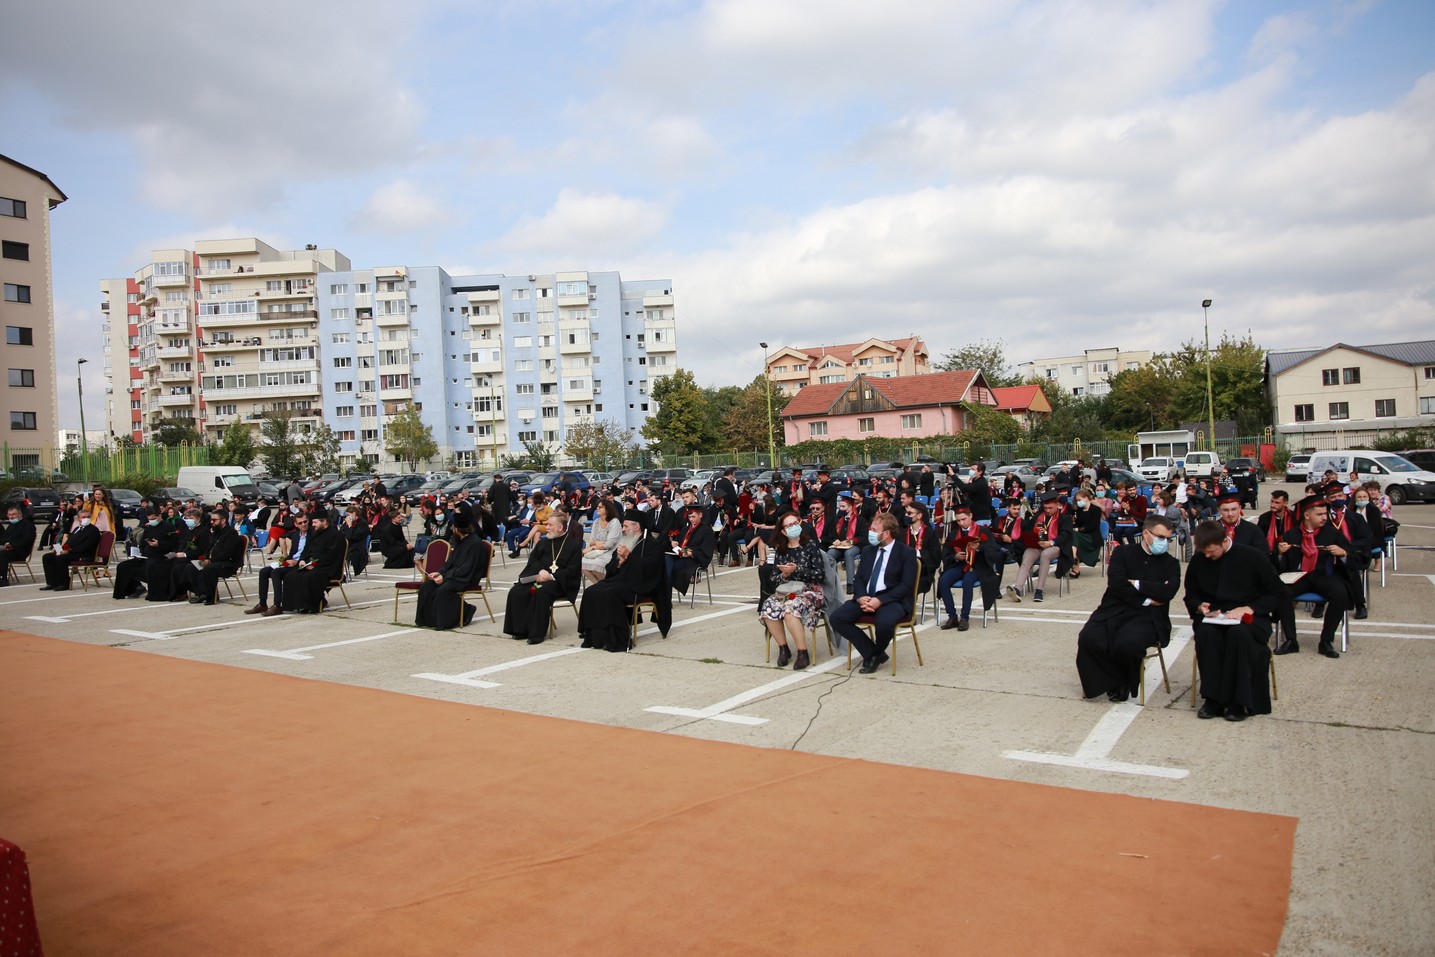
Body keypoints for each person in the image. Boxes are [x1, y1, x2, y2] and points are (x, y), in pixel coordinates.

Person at [1184, 520, 1282, 721]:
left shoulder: (1252, 557)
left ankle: (1237, 701)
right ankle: (1212, 699)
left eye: (1212, 551)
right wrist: (1199, 606)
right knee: (1207, 634)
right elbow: (1191, 594)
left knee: (1238, 635)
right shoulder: (1199, 560)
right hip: (1214, 617)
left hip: (1250, 616)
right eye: (1204, 552)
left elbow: (1276, 593)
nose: (1208, 556)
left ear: (1224, 541)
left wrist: (1249, 608)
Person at [1076, 515, 1181, 701]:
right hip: (1114, 609)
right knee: (1089, 638)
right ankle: (1110, 679)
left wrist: (1136, 583)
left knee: (1128, 643)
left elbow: (1168, 592)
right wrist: (1148, 597)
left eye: (1167, 539)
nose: (1164, 542)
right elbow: (1117, 585)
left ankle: (1124, 682)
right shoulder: (1123, 553)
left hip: (1148, 617)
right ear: (1146, 534)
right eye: (1161, 537)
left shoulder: (1170, 563)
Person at [830, 512, 917, 674]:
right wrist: (862, 596)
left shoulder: (906, 553)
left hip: (893, 600)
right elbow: (860, 579)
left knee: (884, 623)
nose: (871, 532)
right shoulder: (869, 551)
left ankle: (875, 656)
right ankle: (873, 653)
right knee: (837, 618)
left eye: (874, 530)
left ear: (886, 533)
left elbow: (905, 586)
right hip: (867, 597)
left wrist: (881, 600)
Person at [577, 509, 669, 652]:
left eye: (625, 526)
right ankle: (596, 637)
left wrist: (630, 557)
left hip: (639, 585)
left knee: (609, 593)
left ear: (636, 527)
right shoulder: (625, 542)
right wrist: (619, 562)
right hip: (620, 580)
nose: (623, 529)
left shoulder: (652, 545)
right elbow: (611, 566)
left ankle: (617, 639)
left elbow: (650, 569)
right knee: (591, 591)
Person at [1275, 497, 1354, 659]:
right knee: (1280, 591)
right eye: (1320, 514)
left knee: (1340, 593)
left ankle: (1326, 641)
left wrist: (1343, 553)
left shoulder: (1333, 534)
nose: (1324, 517)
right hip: (1299, 576)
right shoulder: (1291, 535)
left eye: (1325, 514)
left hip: (1323, 576)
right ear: (1307, 515)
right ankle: (1291, 640)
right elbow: (1279, 565)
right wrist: (1280, 554)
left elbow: (1355, 556)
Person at [757, 511, 828, 670]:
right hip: (787, 590)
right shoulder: (781, 550)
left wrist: (797, 570)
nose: (793, 527)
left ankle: (802, 652)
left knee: (790, 609)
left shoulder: (809, 546)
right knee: (768, 606)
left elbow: (819, 575)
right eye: (789, 525)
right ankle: (784, 648)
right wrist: (785, 574)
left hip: (809, 590)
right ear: (783, 531)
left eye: (796, 523)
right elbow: (774, 579)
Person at [503, 510, 584, 645]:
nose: (546, 528)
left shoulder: (573, 546)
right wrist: (540, 571)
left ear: (560, 527)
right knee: (516, 590)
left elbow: (573, 571)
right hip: (540, 577)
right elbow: (533, 562)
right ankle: (520, 630)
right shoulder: (543, 543)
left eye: (550, 525)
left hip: (560, 582)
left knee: (541, 591)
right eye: (546, 525)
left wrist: (551, 576)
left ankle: (536, 633)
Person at [414, 515, 490, 629]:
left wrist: (445, 577)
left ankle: (465, 611)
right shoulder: (460, 541)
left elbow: (467, 568)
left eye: (453, 528)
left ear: (457, 529)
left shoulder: (475, 543)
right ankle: (427, 620)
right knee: (427, 587)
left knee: (443, 590)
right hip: (455, 575)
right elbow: (450, 563)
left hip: (467, 577)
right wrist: (439, 573)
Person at [936, 506, 1003, 631]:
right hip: (959, 564)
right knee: (943, 581)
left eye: (963, 519)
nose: (961, 523)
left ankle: (964, 617)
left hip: (978, 565)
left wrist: (978, 548)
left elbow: (993, 550)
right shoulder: (954, 534)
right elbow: (946, 553)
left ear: (970, 516)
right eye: (958, 521)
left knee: (968, 582)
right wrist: (956, 556)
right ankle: (952, 616)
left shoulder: (982, 531)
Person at [1009, 491, 1072, 603]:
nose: (1047, 510)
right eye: (1045, 508)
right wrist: (1033, 536)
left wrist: (1051, 542)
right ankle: (1018, 588)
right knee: (1027, 555)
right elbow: (1028, 530)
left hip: (1056, 546)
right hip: (1038, 545)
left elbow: (1065, 535)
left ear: (1057, 505)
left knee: (1045, 555)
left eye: (1050, 508)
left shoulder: (1064, 518)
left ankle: (1039, 590)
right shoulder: (1039, 517)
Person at [281, 511, 346, 614]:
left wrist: (315, 565)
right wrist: (303, 561)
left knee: (308, 577)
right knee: (291, 575)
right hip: (314, 565)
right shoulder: (317, 535)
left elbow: (331, 556)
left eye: (315, 522)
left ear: (324, 522)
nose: (313, 525)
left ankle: (311, 605)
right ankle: (296, 605)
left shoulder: (335, 535)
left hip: (328, 568)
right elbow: (308, 551)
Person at [174, 509, 245, 605]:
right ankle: (200, 592)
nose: (212, 522)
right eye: (211, 520)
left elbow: (227, 553)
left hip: (227, 563)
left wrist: (210, 561)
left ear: (223, 520)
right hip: (213, 561)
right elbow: (208, 549)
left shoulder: (231, 533)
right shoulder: (215, 532)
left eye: (214, 520)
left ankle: (211, 596)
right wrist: (203, 559)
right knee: (190, 567)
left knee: (209, 568)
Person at [247, 513, 311, 616]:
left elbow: (311, 553)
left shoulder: (312, 535)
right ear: (296, 524)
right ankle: (262, 603)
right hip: (291, 562)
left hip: (301, 565)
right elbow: (293, 553)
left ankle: (277, 605)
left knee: (276, 573)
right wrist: (284, 561)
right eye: (300, 523)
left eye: (305, 522)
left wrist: (297, 562)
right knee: (264, 571)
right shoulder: (295, 536)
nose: (303, 524)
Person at [40, 509, 101, 590]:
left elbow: (87, 546)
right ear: (78, 518)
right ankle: (52, 583)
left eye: (88, 517)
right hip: (72, 552)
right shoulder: (77, 529)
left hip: (84, 554)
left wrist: (69, 551)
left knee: (61, 558)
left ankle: (64, 584)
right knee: (47, 557)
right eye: (84, 517)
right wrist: (59, 549)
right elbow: (69, 543)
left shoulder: (93, 530)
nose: (86, 519)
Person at [668, 505, 716, 598]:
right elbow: (681, 543)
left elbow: (706, 550)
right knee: (666, 561)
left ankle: (667, 597)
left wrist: (691, 553)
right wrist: (675, 544)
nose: (691, 519)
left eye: (693, 517)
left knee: (669, 568)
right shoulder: (685, 529)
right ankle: (666, 596)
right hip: (681, 556)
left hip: (695, 560)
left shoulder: (707, 531)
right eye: (689, 517)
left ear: (700, 515)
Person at [582, 499, 623, 585]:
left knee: (597, 564)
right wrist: (596, 544)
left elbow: (609, 544)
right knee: (581, 563)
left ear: (607, 509)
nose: (597, 509)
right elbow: (591, 541)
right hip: (596, 551)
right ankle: (598, 585)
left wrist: (595, 545)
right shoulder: (596, 522)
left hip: (610, 552)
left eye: (600, 507)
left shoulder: (614, 522)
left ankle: (605, 585)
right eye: (597, 507)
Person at [0, 504, 37, 585]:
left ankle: (3, 579)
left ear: (19, 514)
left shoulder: (28, 525)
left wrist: (11, 545)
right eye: (9, 515)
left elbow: (27, 540)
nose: (11, 517)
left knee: (2, 554)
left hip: (20, 551)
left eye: (13, 514)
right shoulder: (11, 526)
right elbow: (3, 538)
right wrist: (4, 544)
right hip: (8, 549)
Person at [1070, 487, 1103, 577]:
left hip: (1092, 537)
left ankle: (1073, 559)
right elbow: (1076, 524)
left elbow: (1093, 526)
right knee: (1072, 536)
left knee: (1074, 536)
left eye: (1079, 500)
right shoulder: (1079, 510)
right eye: (1077, 500)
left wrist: (1080, 529)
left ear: (1086, 498)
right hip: (1080, 537)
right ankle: (1075, 564)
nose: (1078, 502)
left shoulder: (1096, 510)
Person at [1256, 490, 1294, 565]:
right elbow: (1260, 540)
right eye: (1272, 501)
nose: (1273, 505)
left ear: (1285, 503)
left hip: (1291, 556)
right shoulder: (1264, 518)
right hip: (1271, 556)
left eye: (1277, 503)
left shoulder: (1295, 518)